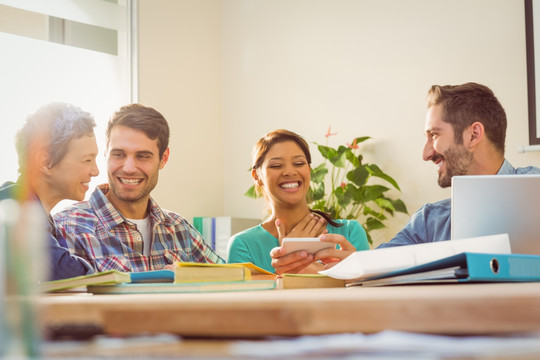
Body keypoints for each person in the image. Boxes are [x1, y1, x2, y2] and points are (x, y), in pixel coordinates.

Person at [54, 103, 224, 272]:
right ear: (105, 154)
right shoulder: (66, 229)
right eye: (118, 154)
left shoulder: (180, 229)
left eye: (142, 156)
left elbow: (233, 279)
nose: (128, 168)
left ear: (163, 158)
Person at [378, 82, 540, 248]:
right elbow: (377, 265)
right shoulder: (428, 223)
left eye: (434, 135)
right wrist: (354, 262)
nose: (426, 154)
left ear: (473, 135)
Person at [227, 129, 370, 274]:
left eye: (299, 163)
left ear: (309, 169)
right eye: (276, 165)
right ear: (256, 176)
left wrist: (306, 267)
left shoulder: (350, 232)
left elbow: (368, 294)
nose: (289, 171)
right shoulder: (243, 245)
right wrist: (286, 271)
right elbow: (246, 297)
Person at [0, 102, 99, 280]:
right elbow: (66, 271)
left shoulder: (43, 218)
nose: (95, 171)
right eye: (87, 160)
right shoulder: (12, 207)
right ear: (46, 163)